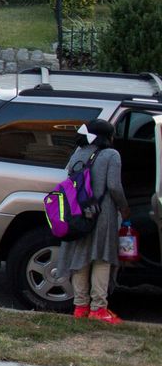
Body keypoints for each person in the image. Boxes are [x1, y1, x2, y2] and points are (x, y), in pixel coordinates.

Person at [56, 115, 129, 323]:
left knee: (80, 258)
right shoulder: (111, 155)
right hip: (103, 213)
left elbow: (69, 177)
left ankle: (80, 307)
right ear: (107, 137)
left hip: (78, 211)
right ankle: (99, 309)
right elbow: (114, 186)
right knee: (102, 258)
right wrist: (124, 208)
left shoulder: (79, 152)